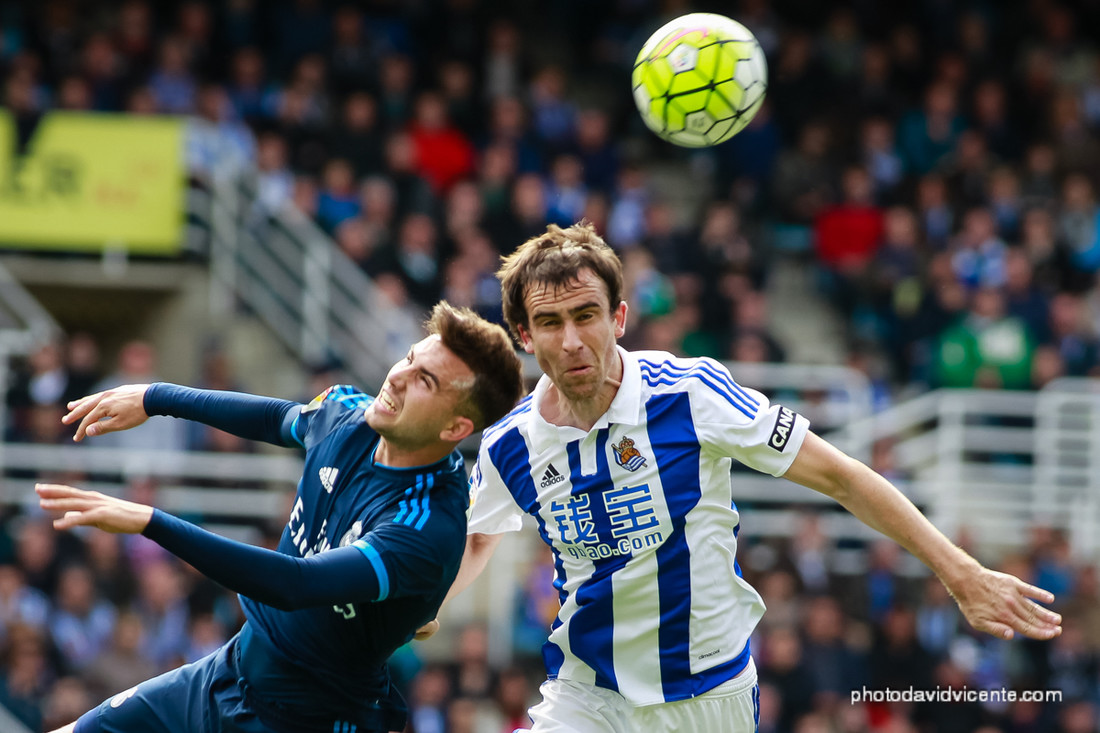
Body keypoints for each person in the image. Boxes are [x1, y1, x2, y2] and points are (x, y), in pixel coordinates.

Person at [432, 222, 1063, 733]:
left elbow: (841, 477)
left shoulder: (689, 395)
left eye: (586, 314)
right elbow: (480, 536)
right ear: (523, 335)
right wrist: (428, 601)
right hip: (587, 696)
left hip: (710, 697)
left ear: (619, 318)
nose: (571, 339)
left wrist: (960, 572)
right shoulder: (509, 444)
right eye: (549, 323)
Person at [40, 302, 525, 733]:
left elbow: (292, 585)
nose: (397, 376)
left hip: (306, 718)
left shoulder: (427, 525)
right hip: (226, 674)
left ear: (456, 426)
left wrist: (150, 521)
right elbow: (277, 418)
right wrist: (154, 398)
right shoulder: (348, 414)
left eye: (425, 380)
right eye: (410, 358)